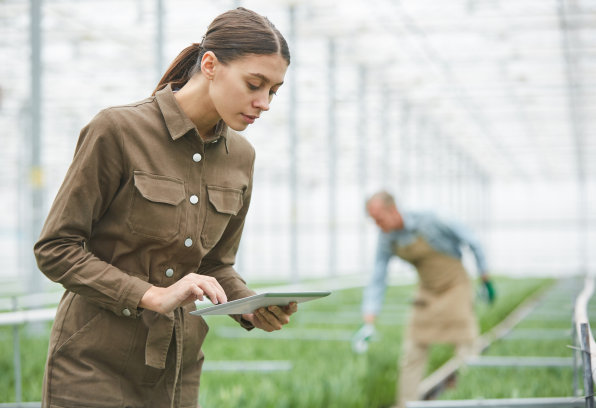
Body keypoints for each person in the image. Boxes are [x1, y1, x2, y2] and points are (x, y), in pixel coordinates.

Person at [33, 8, 295, 408]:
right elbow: (56, 249)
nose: (264, 103)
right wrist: (150, 295)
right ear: (210, 65)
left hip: (178, 369)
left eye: (274, 90)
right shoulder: (118, 131)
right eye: (254, 84)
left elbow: (215, 264)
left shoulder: (241, 156)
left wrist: (251, 307)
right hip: (93, 367)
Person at [352, 191, 495, 408]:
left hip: (455, 286)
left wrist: (485, 278)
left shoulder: (431, 219)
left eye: (379, 219)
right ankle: (405, 403)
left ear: (393, 210)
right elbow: (378, 276)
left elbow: (473, 241)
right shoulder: (387, 238)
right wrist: (369, 321)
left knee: (466, 343)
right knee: (412, 350)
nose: (377, 225)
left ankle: (471, 398)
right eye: (373, 220)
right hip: (427, 290)